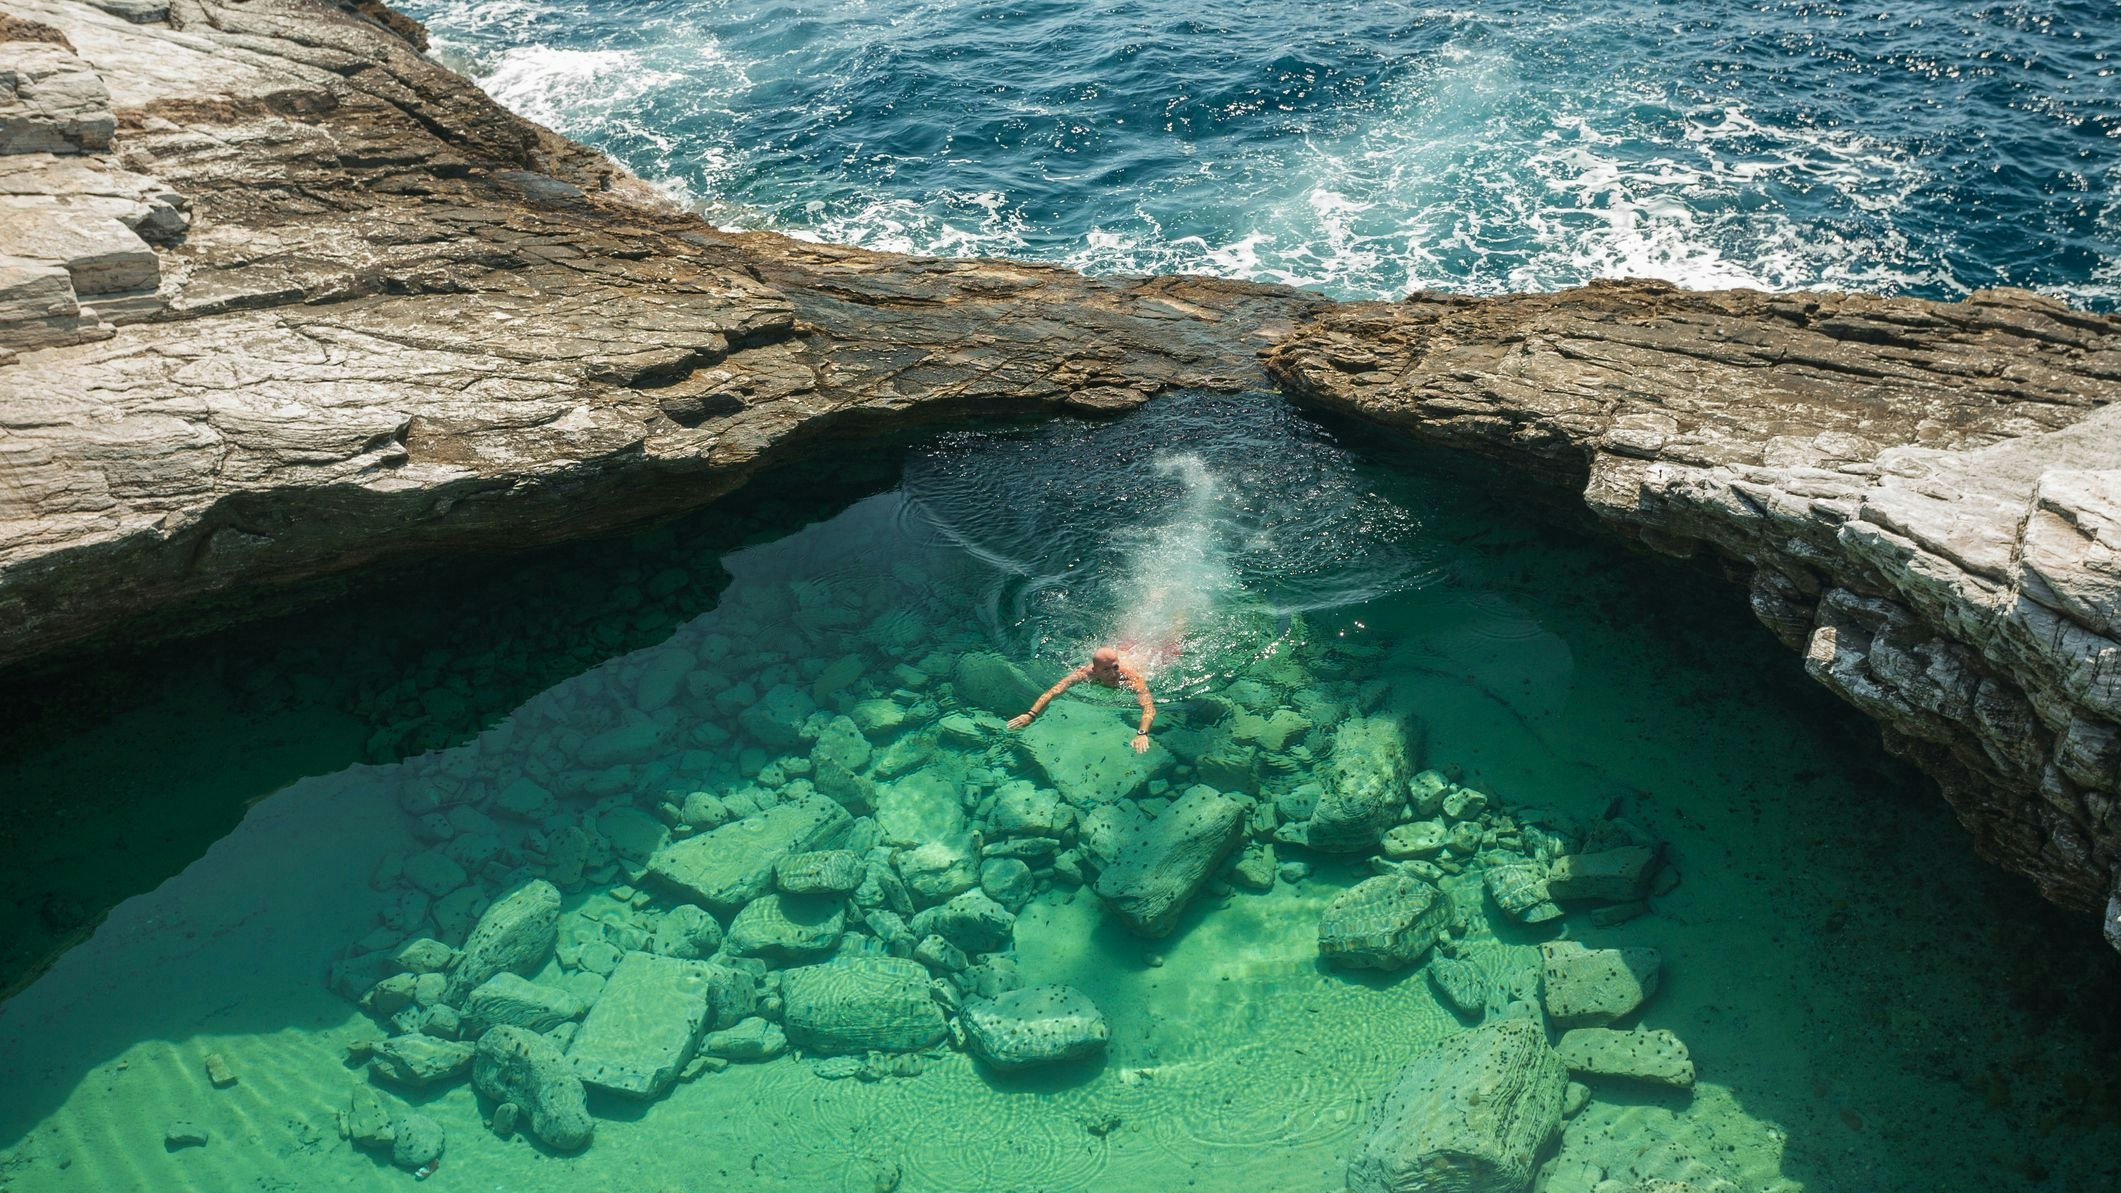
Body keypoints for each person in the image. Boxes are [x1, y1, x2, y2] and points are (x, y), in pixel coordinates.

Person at [1008, 646, 1156, 753]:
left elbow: (1148, 706)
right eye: (1106, 670)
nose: (1113, 674)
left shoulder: (1131, 678)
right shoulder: (1084, 674)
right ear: (1095, 671)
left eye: (1115, 667)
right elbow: (1053, 692)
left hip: (1146, 656)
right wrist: (1031, 715)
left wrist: (1142, 733)